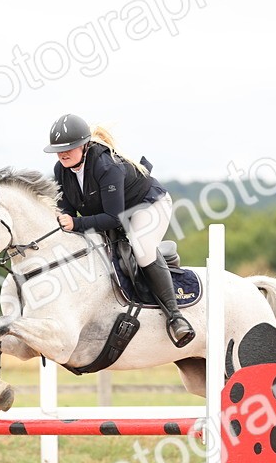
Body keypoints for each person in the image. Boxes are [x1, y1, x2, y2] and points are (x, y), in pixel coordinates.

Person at [43, 113, 194, 348]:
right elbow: (68, 212)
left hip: (148, 205)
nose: (63, 154)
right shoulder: (61, 170)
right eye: (59, 149)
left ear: (84, 145)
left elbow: (113, 218)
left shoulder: (106, 166)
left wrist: (76, 224)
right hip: (115, 214)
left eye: (69, 148)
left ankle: (176, 317)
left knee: (142, 249)